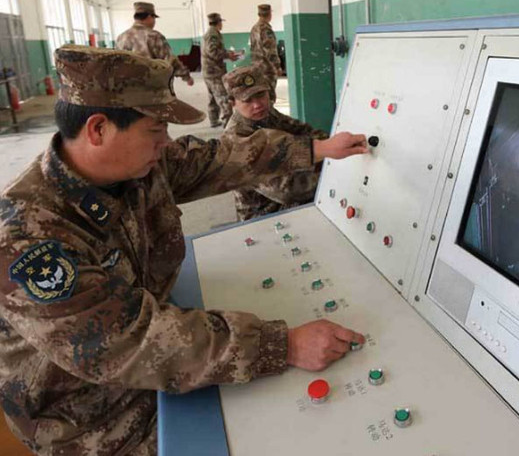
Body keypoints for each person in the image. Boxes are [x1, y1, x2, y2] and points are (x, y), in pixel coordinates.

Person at [0, 45, 368, 455]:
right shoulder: (25, 239)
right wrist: (284, 345)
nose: (165, 143)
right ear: (98, 129)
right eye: (156, 129)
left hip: (164, 360)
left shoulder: (135, 167)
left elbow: (218, 157)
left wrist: (317, 149)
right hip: (96, 419)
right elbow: (127, 341)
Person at [223, 66, 323, 221]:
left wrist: (327, 146)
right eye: (248, 100)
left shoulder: (265, 114)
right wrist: (329, 169)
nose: (257, 104)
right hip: (263, 215)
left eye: (260, 95)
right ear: (232, 103)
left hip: (288, 194)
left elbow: (304, 131)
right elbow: (288, 191)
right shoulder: (236, 140)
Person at [116, 2, 194, 86]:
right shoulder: (154, 36)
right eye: (154, 18)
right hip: (152, 87)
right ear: (149, 17)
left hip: (127, 88)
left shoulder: (121, 38)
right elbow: (170, 60)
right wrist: (186, 77)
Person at [202, 12, 240, 127]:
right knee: (223, 97)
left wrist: (227, 53)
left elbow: (214, 50)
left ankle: (214, 120)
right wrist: (228, 55)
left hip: (209, 71)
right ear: (218, 22)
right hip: (214, 72)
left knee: (213, 97)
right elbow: (212, 52)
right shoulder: (213, 34)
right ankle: (228, 124)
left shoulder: (211, 33)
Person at [250, 3, 283, 101]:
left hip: (257, 67)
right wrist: (277, 66)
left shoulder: (254, 28)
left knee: (261, 95)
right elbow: (270, 51)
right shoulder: (266, 29)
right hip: (267, 68)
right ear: (269, 14)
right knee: (269, 96)